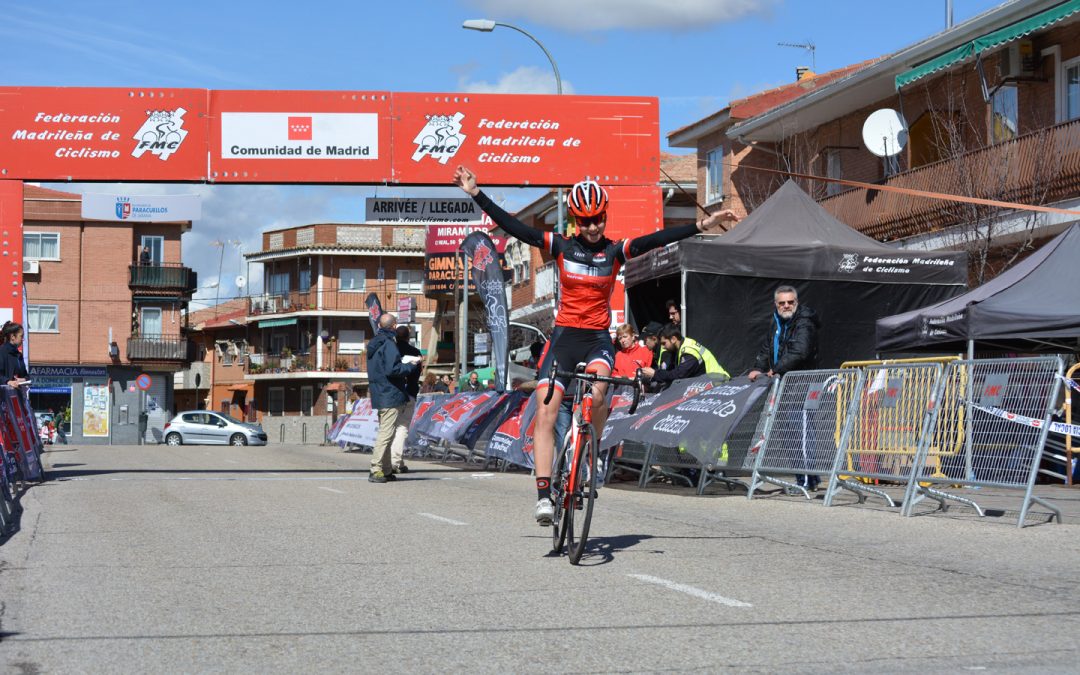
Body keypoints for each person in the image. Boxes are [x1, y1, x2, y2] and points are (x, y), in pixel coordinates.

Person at [453, 164, 739, 524]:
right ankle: (543, 494)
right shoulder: (560, 245)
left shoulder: (615, 251)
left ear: (604, 216)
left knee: (600, 394)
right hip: (564, 339)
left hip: (597, 340)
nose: (592, 227)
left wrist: (702, 225)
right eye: (585, 221)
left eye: (597, 220)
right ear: (575, 219)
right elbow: (517, 228)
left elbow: (655, 240)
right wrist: (477, 193)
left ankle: (589, 449)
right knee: (546, 411)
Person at [748, 285, 821, 490]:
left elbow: (801, 352)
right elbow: (767, 348)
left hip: (803, 386)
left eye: (790, 302)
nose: (786, 305)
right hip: (785, 387)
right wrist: (758, 368)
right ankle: (806, 479)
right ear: (776, 304)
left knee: (803, 434)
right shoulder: (776, 321)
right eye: (782, 303)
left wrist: (774, 370)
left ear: (796, 303)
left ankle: (806, 480)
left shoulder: (805, 322)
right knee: (790, 435)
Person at [365, 313, 418, 483]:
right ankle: (376, 469)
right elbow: (393, 369)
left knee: (386, 433)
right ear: (394, 326)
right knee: (386, 434)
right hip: (390, 393)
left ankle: (387, 470)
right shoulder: (388, 344)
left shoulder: (375, 343)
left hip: (379, 392)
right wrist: (410, 366)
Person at [640, 324, 729, 390]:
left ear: (673, 339)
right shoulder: (682, 345)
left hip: (719, 384)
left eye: (664, 343)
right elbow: (670, 371)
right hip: (710, 382)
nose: (663, 347)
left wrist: (655, 374)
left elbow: (678, 375)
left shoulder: (689, 352)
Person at [390, 324, 422, 474]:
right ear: (408, 337)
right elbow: (416, 375)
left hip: (392, 393)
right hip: (409, 393)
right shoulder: (415, 352)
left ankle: (394, 461)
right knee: (402, 428)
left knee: (390, 428)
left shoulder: (390, 351)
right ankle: (396, 461)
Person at [0, 321, 29, 387]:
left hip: (17, 394)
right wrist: (8, 382)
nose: (23, 339)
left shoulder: (19, 355)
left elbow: (26, 375)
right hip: (3, 395)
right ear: (12, 337)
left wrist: (23, 379)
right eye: (21, 336)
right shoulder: (2, 352)